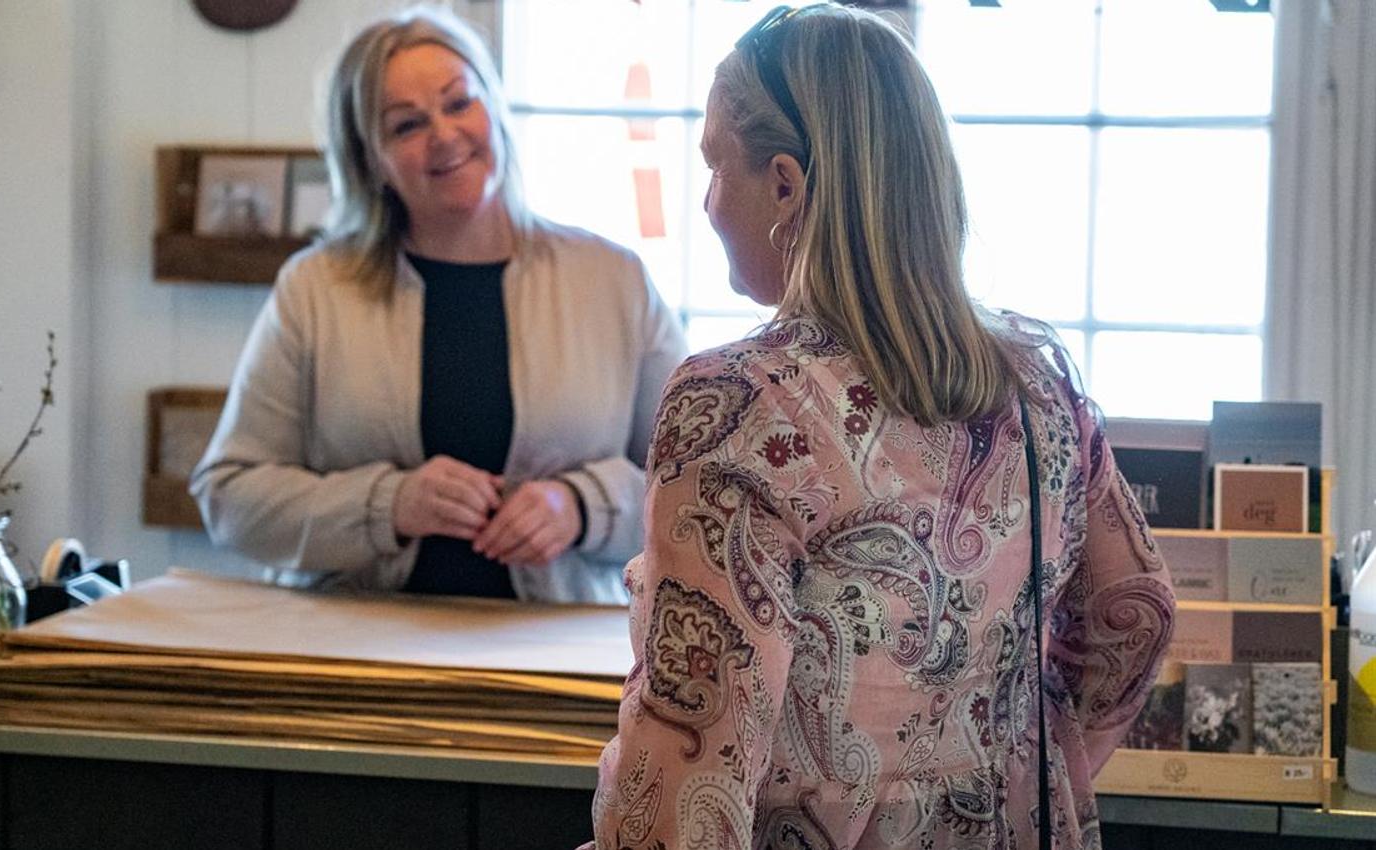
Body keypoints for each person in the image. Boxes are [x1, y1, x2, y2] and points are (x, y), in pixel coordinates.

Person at [588, 5, 1175, 848]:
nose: (710, 203)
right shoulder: (1040, 386)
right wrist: (1016, 761)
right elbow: (1137, 610)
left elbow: (690, 772)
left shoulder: (738, 406)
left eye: (716, 168)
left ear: (785, 185)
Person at [191, 8, 687, 604]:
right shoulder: (316, 289)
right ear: (368, 159)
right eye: (406, 125)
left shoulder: (615, 279)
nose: (445, 136)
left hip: (557, 654)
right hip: (356, 652)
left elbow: (695, 490)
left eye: (459, 103)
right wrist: (388, 505)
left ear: (493, 109)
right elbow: (229, 497)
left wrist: (582, 505)